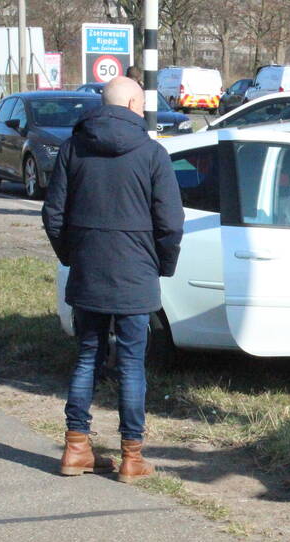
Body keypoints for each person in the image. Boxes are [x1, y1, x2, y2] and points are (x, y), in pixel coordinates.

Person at [42, 76, 184, 483]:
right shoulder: (153, 153)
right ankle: (131, 456)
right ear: (135, 104)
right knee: (131, 365)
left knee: (88, 356)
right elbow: (170, 223)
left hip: (88, 270)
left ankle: (75, 449)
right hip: (135, 274)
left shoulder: (72, 148)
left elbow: (53, 215)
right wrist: (163, 265)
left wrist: (72, 255)